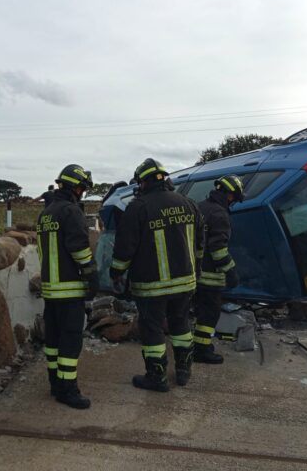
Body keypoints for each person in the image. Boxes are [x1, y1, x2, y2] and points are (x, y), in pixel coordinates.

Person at [110, 158, 204, 391]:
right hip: (185, 283)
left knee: (152, 328)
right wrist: (196, 271)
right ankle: (183, 371)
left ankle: (156, 377)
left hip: (152, 286)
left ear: (143, 182)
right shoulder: (189, 203)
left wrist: (116, 273)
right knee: (181, 324)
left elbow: (125, 248)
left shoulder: (138, 207)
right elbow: (200, 245)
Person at [37, 165, 98, 408]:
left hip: (51, 290)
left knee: (52, 339)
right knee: (71, 341)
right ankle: (68, 390)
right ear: (75, 187)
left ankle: (55, 384)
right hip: (70, 289)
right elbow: (79, 249)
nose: (83, 193)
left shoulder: (46, 213)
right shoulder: (71, 212)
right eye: (82, 188)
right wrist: (92, 276)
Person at [194, 175, 244, 363]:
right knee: (209, 314)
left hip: (192, 273)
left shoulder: (199, 207)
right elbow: (218, 250)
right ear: (230, 195)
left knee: (198, 311)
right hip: (209, 277)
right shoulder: (220, 214)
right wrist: (231, 273)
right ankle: (201, 349)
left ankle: (198, 345)